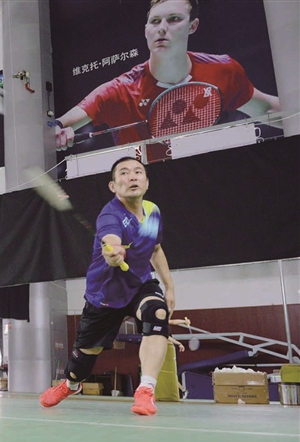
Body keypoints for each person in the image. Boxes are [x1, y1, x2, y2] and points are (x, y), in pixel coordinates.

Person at [40, 157, 176, 416]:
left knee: (157, 313)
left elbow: (156, 249)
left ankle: (146, 390)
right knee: (80, 365)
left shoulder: (153, 211)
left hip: (140, 283)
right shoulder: (110, 215)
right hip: (105, 294)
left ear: (146, 182)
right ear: (113, 186)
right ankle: (70, 385)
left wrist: (169, 287)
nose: (132, 176)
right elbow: (111, 240)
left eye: (138, 172)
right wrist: (112, 253)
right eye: (124, 173)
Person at [54, 0, 280, 150]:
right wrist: (56, 130)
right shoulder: (119, 91)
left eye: (174, 19)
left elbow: (268, 109)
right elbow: (55, 124)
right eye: (155, 21)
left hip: (207, 179)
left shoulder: (223, 70)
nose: (162, 28)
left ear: (193, 26)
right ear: (146, 30)